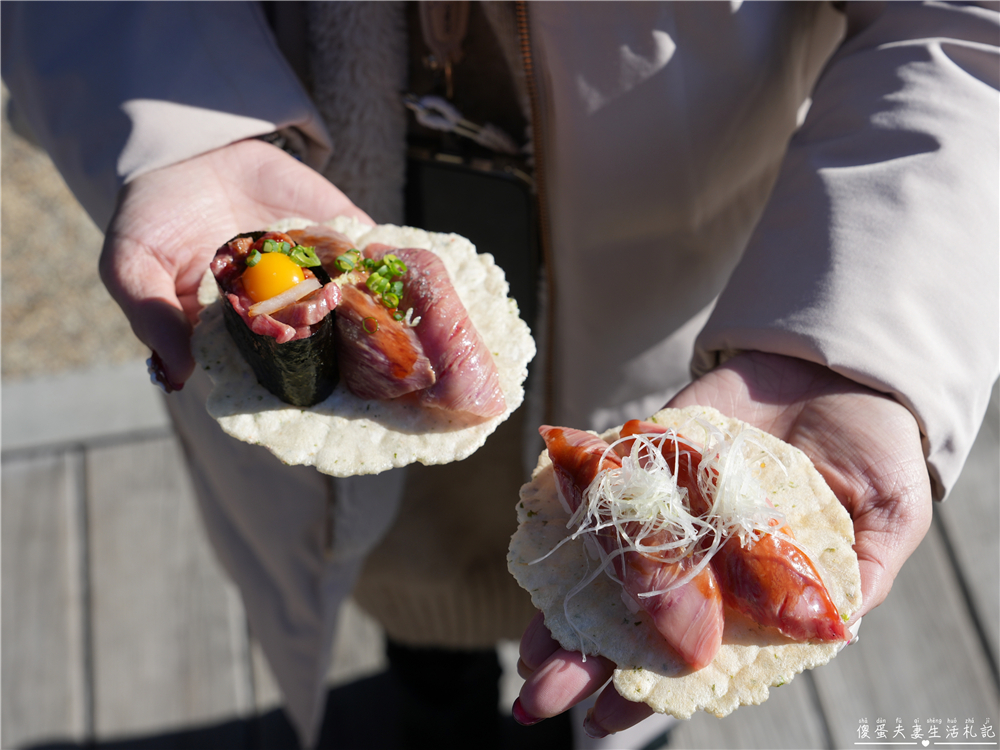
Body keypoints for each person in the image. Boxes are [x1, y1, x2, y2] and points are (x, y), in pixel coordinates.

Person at [3, 2, 997, 748]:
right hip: (314, 295)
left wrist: (860, 338)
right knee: (414, 626)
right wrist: (179, 124)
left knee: (618, 692)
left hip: (687, 328)